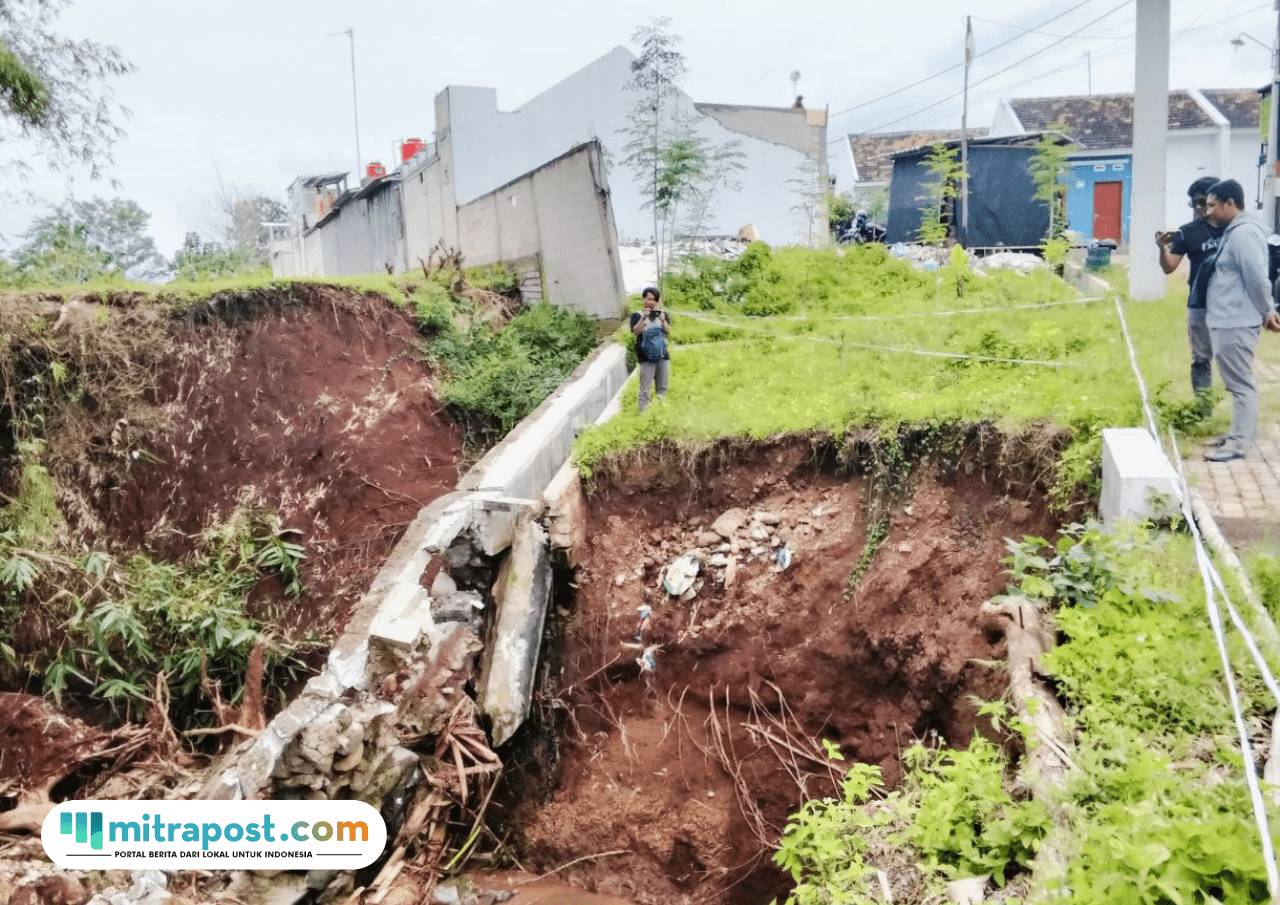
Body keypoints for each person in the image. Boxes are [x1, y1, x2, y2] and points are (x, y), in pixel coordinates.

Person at [1201, 178, 1280, 462]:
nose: (1208, 212)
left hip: (1235, 320)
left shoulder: (1244, 234)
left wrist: (1267, 311)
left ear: (1229, 204)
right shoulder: (1236, 231)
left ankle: (1238, 444)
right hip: (1228, 318)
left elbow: (1256, 278)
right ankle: (1238, 433)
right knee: (1235, 382)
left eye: (1212, 206)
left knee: (1241, 383)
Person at [1156, 176, 1224, 399]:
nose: (1199, 207)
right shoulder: (1188, 232)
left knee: (1233, 357)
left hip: (1232, 303)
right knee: (1201, 359)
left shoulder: (1234, 228)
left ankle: (1241, 412)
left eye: (1204, 201)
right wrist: (1162, 249)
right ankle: (1203, 410)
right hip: (1199, 304)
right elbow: (1169, 268)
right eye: (1195, 203)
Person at [630, 286, 671, 412]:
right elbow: (636, 331)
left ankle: (661, 413)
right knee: (645, 390)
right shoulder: (637, 315)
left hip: (663, 356)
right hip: (646, 358)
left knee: (663, 388)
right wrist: (644, 318)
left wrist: (663, 320)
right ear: (644, 299)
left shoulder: (662, 314)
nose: (651, 302)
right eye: (649, 299)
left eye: (654, 300)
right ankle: (643, 415)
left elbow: (668, 331)